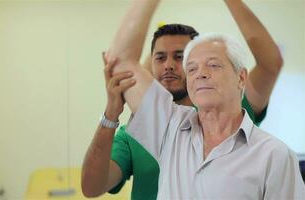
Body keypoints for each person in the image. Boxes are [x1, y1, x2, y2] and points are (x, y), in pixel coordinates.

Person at [81, 0, 284, 199]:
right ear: (149, 65)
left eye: (180, 57)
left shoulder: (232, 111)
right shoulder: (137, 131)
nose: (168, 65)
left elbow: (270, 63)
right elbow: (91, 187)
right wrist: (110, 114)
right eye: (160, 58)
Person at [128, 32, 305, 199]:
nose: (200, 74)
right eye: (191, 69)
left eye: (213, 65)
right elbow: (123, 63)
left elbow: (271, 62)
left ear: (241, 78)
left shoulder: (275, 155)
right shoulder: (170, 128)